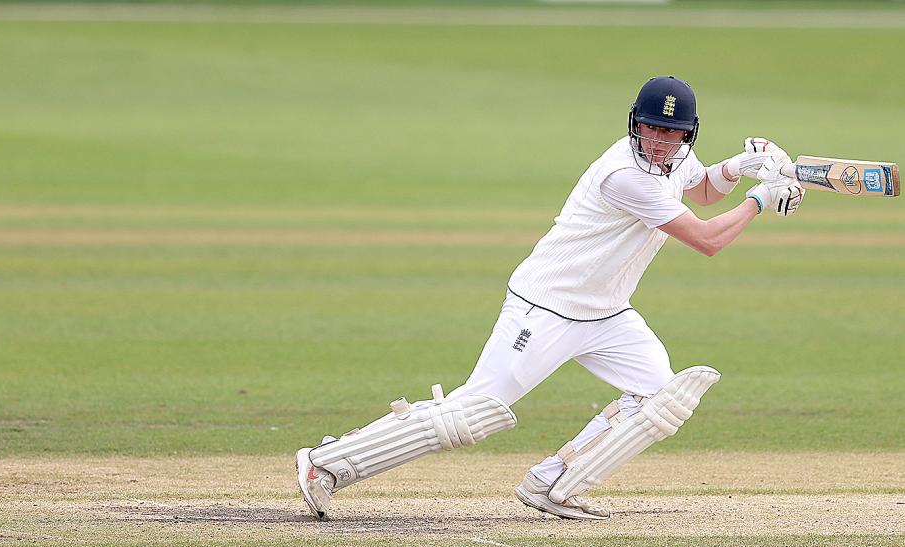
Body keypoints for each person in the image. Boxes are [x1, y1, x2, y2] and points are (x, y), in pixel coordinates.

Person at [296, 75, 805, 521]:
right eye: (651, 128)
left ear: (687, 135)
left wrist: (741, 166)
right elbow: (708, 238)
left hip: (607, 312)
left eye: (671, 132)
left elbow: (705, 191)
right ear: (635, 124)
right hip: (545, 307)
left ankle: (553, 484)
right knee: (473, 413)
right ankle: (327, 464)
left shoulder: (674, 158)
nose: (659, 140)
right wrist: (762, 200)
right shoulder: (623, 174)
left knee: (660, 399)